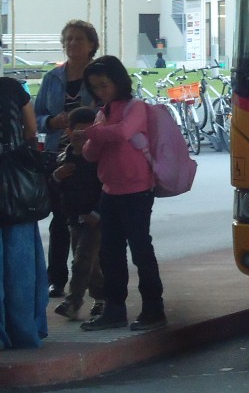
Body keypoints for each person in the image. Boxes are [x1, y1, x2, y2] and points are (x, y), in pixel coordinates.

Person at [79, 55, 167, 333]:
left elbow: (122, 132)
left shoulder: (135, 107)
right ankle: (114, 309)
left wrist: (93, 132)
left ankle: (154, 308)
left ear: (118, 81)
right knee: (110, 252)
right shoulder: (103, 114)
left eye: (104, 85)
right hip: (110, 191)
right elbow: (90, 154)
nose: (100, 92)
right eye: (95, 88)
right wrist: (95, 135)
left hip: (137, 190)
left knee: (141, 250)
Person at [34, 20, 98, 298]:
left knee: (90, 219)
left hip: (91, 156)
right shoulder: (52, 78)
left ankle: (94, 285)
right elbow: (36, 117)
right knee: (60, 219)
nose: (72, 44)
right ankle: (56, 280)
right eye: (68, 39)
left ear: (91, 45)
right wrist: (52, 121)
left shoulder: (98, 76)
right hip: (56, 156)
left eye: (79, 39)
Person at [0, 73, 49, 348]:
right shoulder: (12, 88)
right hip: (16, 183)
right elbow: (32, 131)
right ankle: (24, 330)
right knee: (21, 262)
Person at [50, 106, 105, 321]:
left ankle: (73, 302)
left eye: (88, 134)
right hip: (74, 218)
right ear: (69, 132)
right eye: (78, 134)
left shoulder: (98, 160)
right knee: (88, 262)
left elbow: (106, 187)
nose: (82, 139)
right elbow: (58, 189)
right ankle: (102, 298)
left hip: (94, 219)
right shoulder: (65, 158)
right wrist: (57, 176)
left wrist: (96, 213)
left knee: (82, 260)